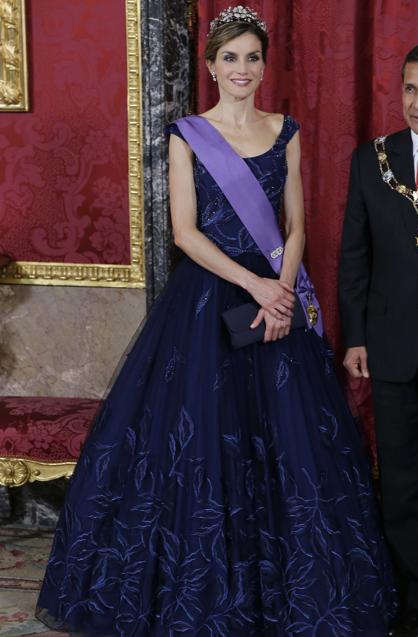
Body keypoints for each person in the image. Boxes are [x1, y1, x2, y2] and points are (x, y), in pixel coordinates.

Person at [37, 6, 395, 636]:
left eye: (253, 57)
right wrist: (254, 283)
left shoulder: (286, 129)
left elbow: (298, 224)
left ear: (263, 65)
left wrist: (282, 292)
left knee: (291, 448)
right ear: (210, 65)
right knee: (199, 442)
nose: (243, 69)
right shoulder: (187, 134)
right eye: (230, 58)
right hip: (209, 301)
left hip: (274, 300)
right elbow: (184, 231)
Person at [339, 40, 418, 637]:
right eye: (410, 88)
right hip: (389, 345)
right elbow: (354, 256)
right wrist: (356, 335)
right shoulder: (373, 159)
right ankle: (416, 599)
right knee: (404, 480)